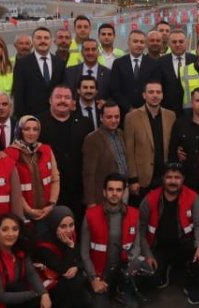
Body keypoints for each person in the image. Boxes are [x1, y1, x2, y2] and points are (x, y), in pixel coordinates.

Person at [137, 163, 199, 304]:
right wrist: (148, 254)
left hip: (185, 245)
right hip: (159, 247)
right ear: (162, 178)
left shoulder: (193, 197)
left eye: (177, 177)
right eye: (169, 177)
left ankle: (191, 284)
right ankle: (165, 270)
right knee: (151, 278)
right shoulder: (150, 199)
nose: (173, 181)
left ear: (183, 179)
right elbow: (140, 229)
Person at [81, 174, 147, 308]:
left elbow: (136, 246)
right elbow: (84, 253)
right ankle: (105, 290)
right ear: (104, 192)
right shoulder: (90, 215)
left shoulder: (134, 214)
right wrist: (93, 279)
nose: (114, 194)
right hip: (100, 272)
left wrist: (129, 265)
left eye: (118, 190)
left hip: (123, 269)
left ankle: (122, 289)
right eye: (110, 189)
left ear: (124, 192)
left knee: (149, 270)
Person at [33, 207, 109, 308]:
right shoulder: (44, 245)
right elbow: (63, 270)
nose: (68, 230)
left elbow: (80, 258)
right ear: (54, 225)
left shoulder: (71, 236)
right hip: (52, 286)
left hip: (70, 283)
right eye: (63, 226)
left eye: (71, 225)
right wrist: (70, 246)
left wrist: (76, 267)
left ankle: (72, 306)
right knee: (78, 280)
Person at [38, 85, 90, 214]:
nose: (62, 100)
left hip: (77, 190)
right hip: (48, 191)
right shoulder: (38, 124)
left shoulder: (85, 123)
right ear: (50, 100)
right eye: (58, 97)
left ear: (73, 102)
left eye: (67, 97)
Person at [7, 115, 61, 234]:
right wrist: (28, 210)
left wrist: (51, 204)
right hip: (22, 214)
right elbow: (12, 188)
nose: (31, 133)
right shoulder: (10, 153)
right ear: (19, 131)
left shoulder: (46, 150)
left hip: (46, 212)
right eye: (27, 129)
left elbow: (55, 179)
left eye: (35, 129)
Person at [12, 27, 66, 119]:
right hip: (32, 117)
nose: (43, 41)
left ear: (51, 41)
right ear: (33, 41)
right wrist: (22, 117)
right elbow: (18, 93)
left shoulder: (60, 63)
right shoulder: (22, 64)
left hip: (56, 116)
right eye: (39, 38)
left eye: (46, 38)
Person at [81, 102, 127, 207]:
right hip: (102, 195)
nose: (114, 120)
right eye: (109, 117)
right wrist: (90, 201)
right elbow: (88, 174)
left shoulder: (121, 134)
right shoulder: (92, 139)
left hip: (123, 191)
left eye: (117, 117)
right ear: (101, 118)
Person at [108, 29, 160, 116]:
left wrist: (145, 108)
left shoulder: (153, 64)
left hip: (147, 112)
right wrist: (129, 108)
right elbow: (115, 90)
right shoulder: (118, 63)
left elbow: (155, 88)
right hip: (124, 112)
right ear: (128, 43)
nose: (139, 45)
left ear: (145, 45)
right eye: (135, 41)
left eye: (142, 42)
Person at [156, 29, 195, 111]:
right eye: (174, 42)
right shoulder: (160, 62)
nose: (177, 44)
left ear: (186, 42)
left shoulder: (195, 60)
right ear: (169, 44)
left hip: (191, 109)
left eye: (181, 41)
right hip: (168, 109)